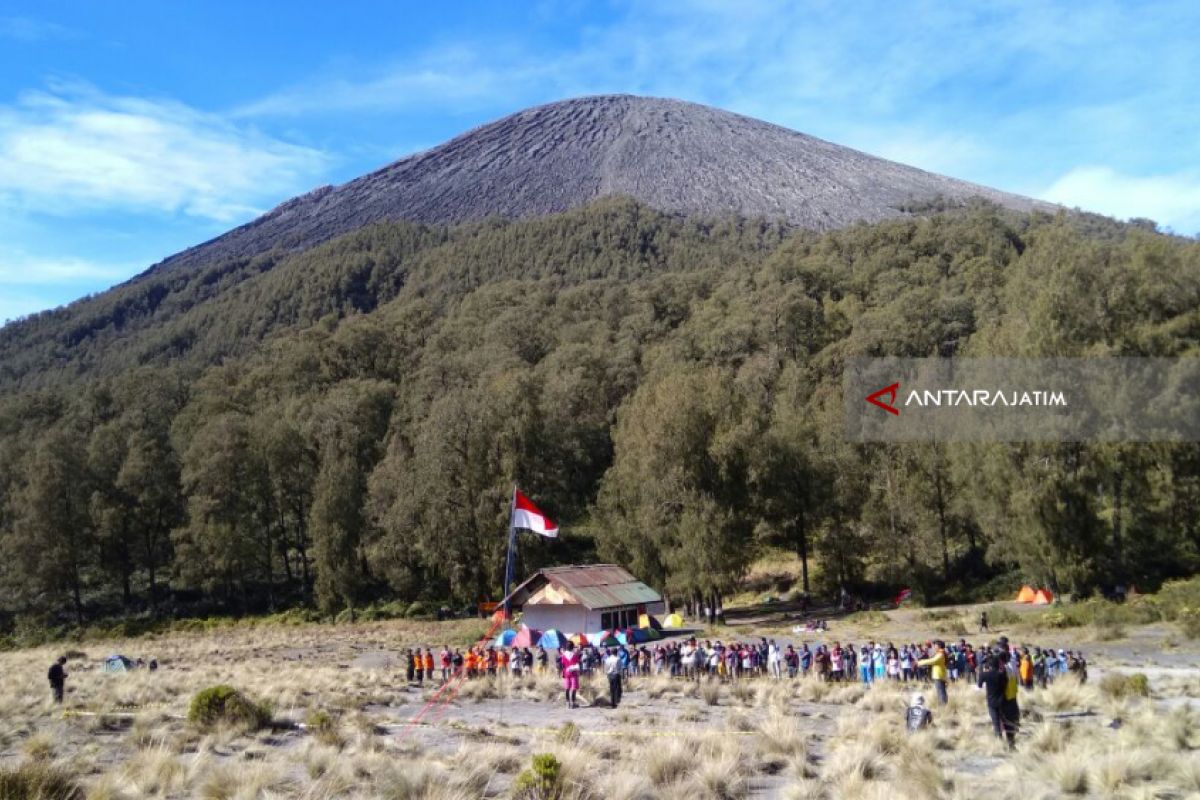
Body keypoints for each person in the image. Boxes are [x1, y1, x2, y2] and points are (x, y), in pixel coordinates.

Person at [918, 640, 948, 705]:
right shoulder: (940, 653)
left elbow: (932, 661)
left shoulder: (940, 654)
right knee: (941, 691)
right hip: (940, 674)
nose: (934, 646)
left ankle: (943, 706)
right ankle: (943, 705)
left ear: (939, 646)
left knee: (941, 692)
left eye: (935, 645)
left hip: (938, 675)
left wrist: (919, 662)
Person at [561, 642, 581, 709]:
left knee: (567, 688)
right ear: (572, 647)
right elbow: (577, 664)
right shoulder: (574, 655)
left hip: (566, 673)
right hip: (574, 673)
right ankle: (573, 703)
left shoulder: (563, 655)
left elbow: (563, 665)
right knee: (574, 688)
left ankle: (567, 703)